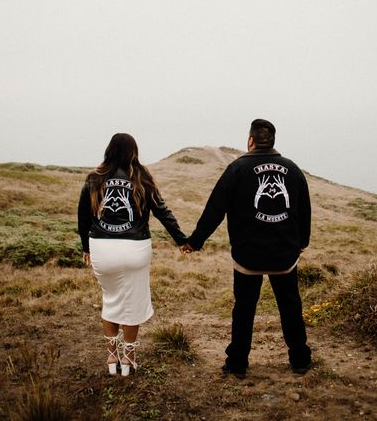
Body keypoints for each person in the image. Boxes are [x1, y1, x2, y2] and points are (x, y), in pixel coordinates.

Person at [182, 118, 311, 377]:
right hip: (284, 256)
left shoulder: (237, 169)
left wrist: (195, 241)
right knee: (290, 306)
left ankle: (238, 363)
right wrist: (301, 243)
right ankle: (300, 359)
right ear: (272, 141)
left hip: (247, 257)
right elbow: (304, 210)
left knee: (244, 308)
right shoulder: (293, 169)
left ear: (250, 140)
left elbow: (215, 209)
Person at [78, 132, 187, 376]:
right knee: (133, 304)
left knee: (111, 298)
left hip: (102, 249)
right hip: (134, 248)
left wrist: (86, 247)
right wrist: (182, 240)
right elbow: (162, 211)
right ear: (133, 152)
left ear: (109, 151)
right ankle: (128, 359)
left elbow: (83, 218)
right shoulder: (141, 176)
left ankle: (111, 356)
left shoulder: (94, 178)